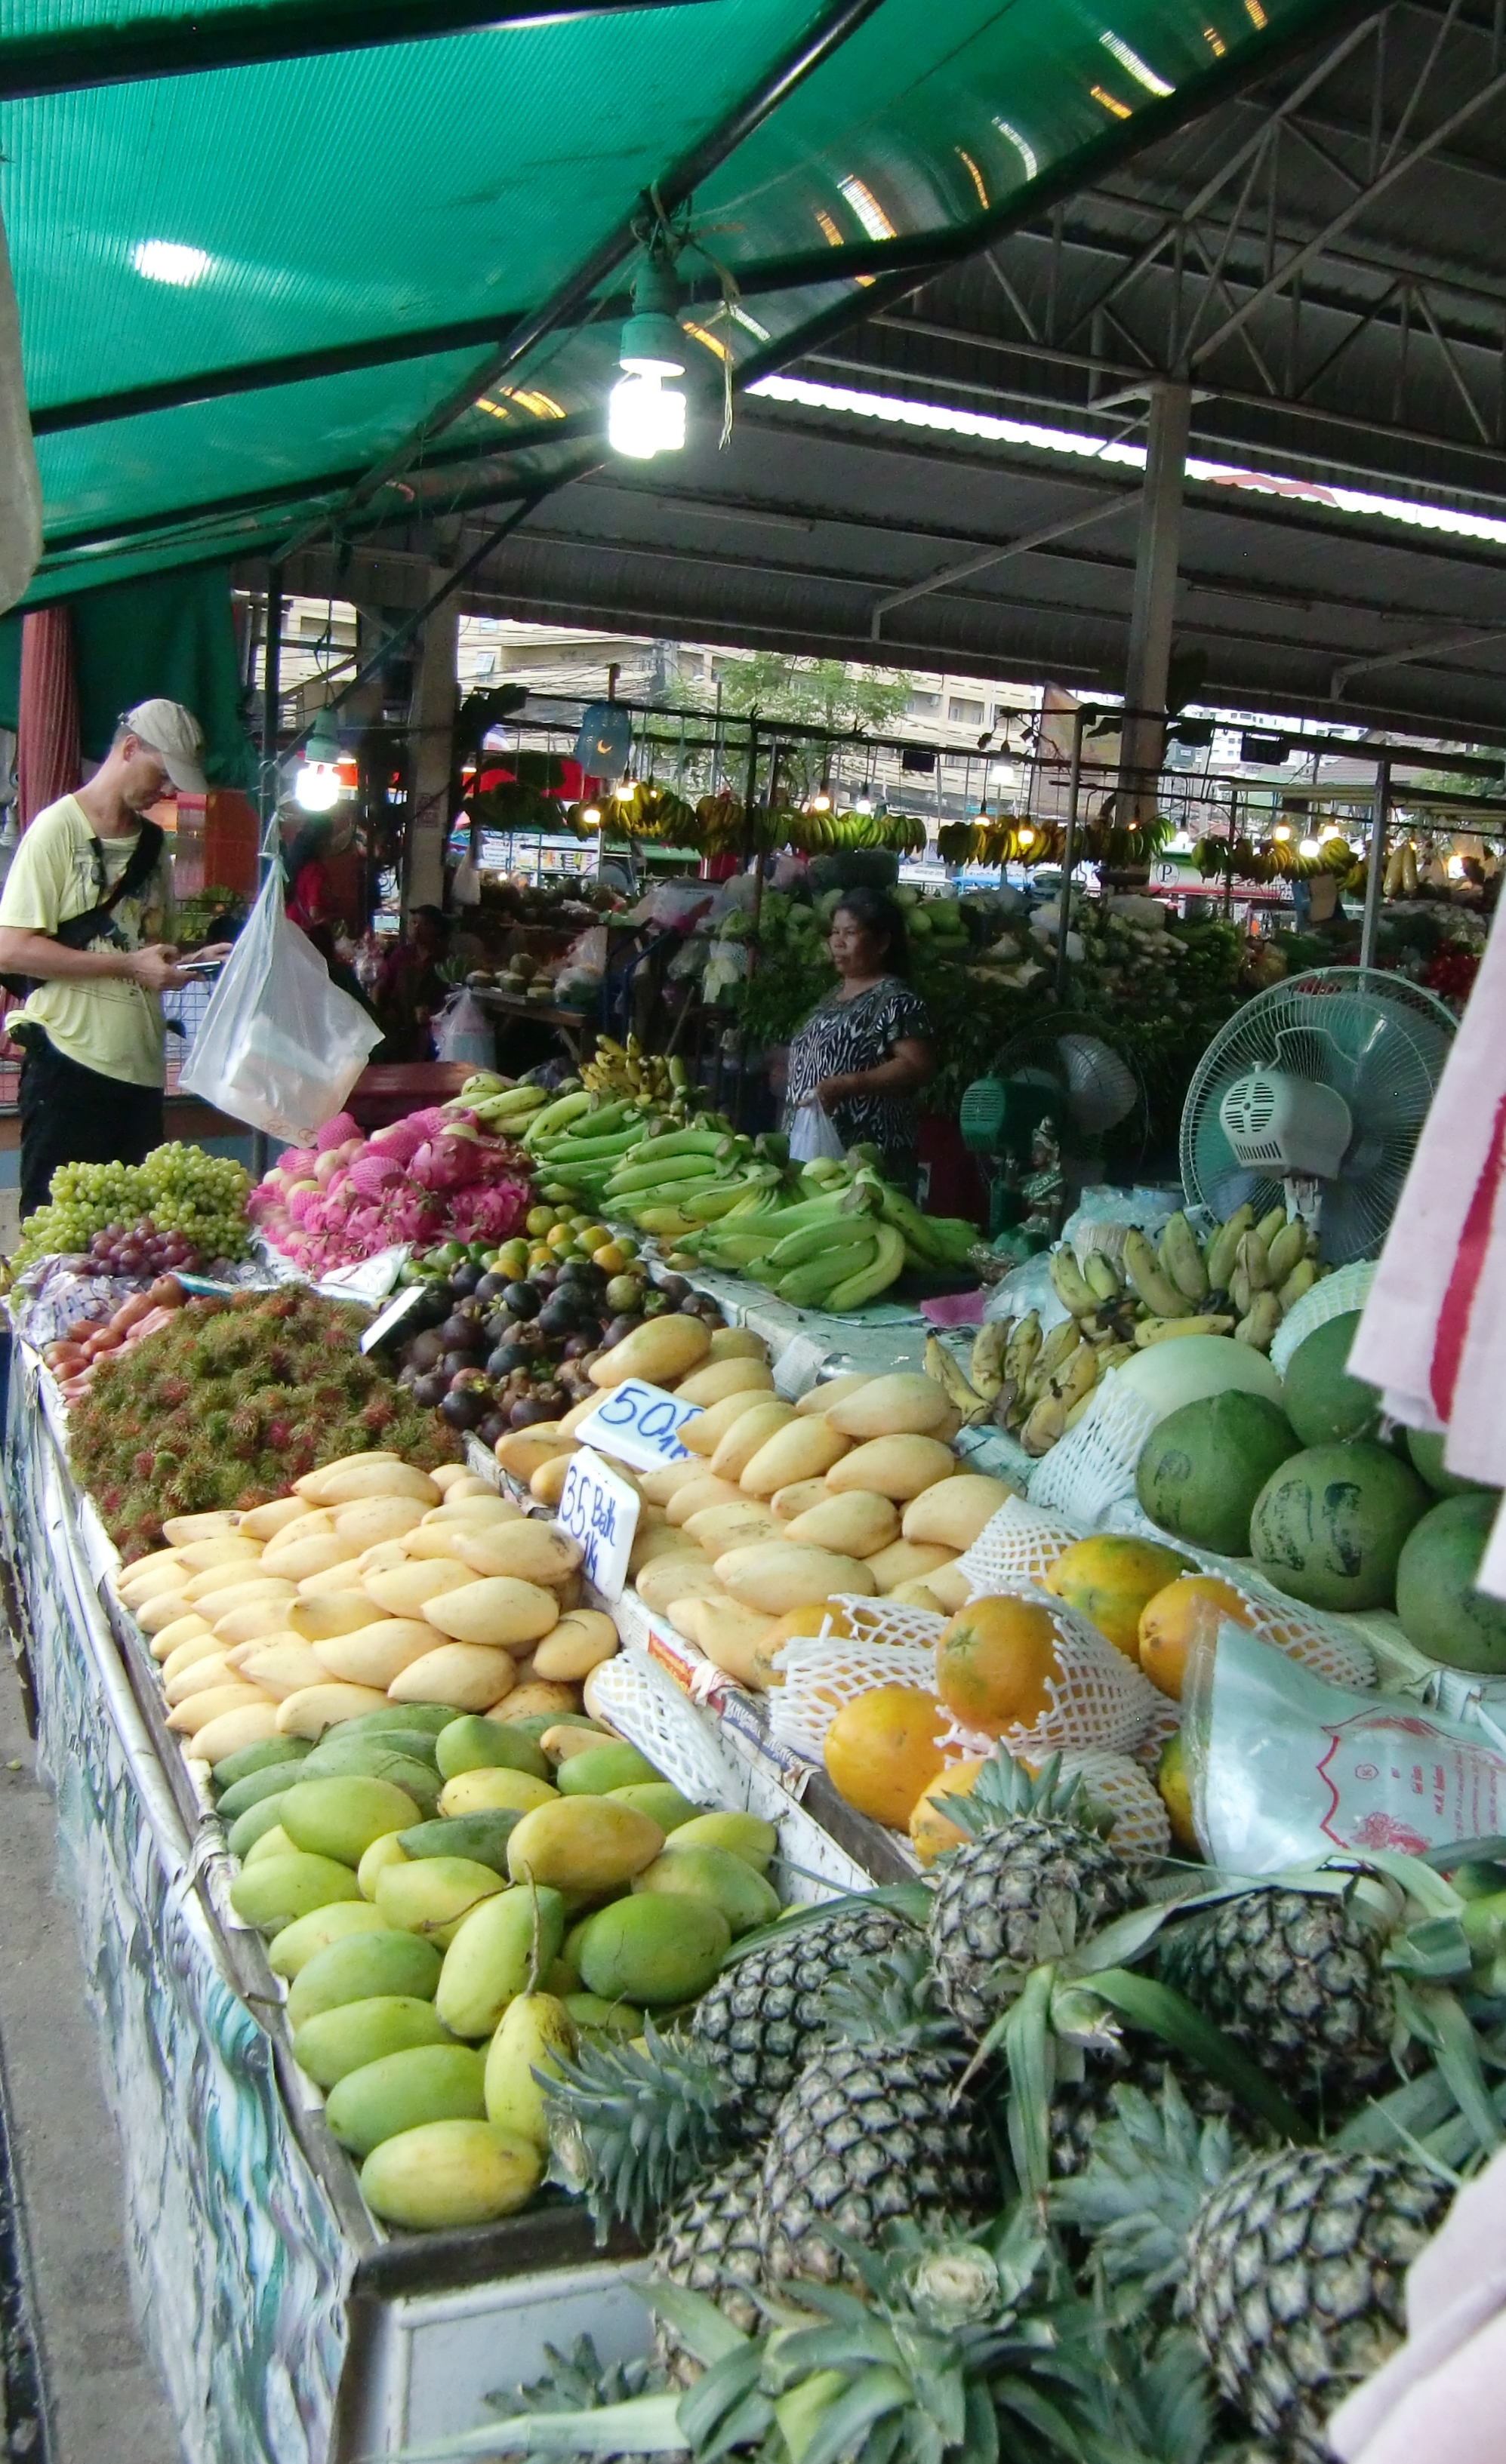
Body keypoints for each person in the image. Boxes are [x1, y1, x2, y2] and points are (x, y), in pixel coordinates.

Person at [0, 700, 231, 1217]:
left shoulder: (153, 846)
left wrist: (193, 961)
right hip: (68, 1063)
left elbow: (144, 949)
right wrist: (130, 967)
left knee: (131, 1245)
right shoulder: (56, 830)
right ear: (129, 749)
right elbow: (12, 948)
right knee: (57, 1237)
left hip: (142, 1073)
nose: (167, 790)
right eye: (163, 773)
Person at [784, 886, 935, 1189]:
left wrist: (849, 1085)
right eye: (835, 932)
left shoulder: (896, 1000)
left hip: (867, 1159)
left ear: (881, 943)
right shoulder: (833, 996)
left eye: (850, 933)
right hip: (815, 1154)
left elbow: (917, 1066)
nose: (838, 942)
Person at [374, 904, 452, 1060]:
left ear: (435, 929)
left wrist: (432, 1014)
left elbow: (452, 998)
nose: (416, 928)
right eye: (413, 923)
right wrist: (377, 1013)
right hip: (398, 1027)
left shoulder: (446, 959)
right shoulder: (402, 954)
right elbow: (382, 984)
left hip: (431, 1033)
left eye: (423, 924)